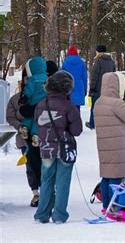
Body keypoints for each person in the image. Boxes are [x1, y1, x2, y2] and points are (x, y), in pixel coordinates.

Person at [33, 71, 83, 224]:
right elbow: (77, 130)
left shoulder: (41, 104)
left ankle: (42, 214)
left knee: (46, 181)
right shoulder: (69, 106)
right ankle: (59, 215)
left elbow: (38, 124)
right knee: (62, 182)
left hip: (46, 148)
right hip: (64, 149)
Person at [94, 72, 125, 210]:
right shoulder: (116, 103)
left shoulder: (98, 102)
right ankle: (117, 206)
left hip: (104, 146)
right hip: (118, 146)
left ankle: (107, 206)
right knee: (117, 178)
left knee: (106, 177)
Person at [6, 69, 41, 207]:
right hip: (24, 139)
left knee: (44, 165)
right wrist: (20, 126)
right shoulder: (15, 100)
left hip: (41, 138)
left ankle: (48, 191)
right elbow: (10, 116)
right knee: (31, 166)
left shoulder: (43, 98)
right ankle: (36, 193)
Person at [87, 45, 116, 130]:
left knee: (95, 106)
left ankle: (92, 123)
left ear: (98, 52)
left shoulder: (98, 61)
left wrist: (92, 87)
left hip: (98, 88)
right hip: (109, 88)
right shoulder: (112, 61)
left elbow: (94, 75)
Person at [19, 57, 48, 140]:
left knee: (29, 117)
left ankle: (25, 127)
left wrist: (24, 97)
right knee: (38, 120)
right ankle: (35, 135)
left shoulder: (33, 79)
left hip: (32, 102)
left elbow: (29, 90)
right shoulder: (47, 79)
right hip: (44, 104)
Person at [61, 45, 88, 111]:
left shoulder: (65, 63)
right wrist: (85, 90)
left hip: (68, 88)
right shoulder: (81, 63)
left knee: (67, 110)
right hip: (79, 88)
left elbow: (61, 77)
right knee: (77, 110)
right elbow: (84, 78)